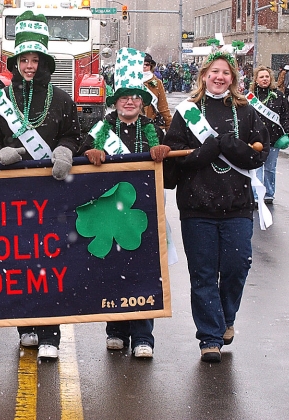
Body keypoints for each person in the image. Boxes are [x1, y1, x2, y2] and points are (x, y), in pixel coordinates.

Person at [0, 11, 82, 360]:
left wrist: (66, 150)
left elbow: (73, 135)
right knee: (20, 261)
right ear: (15, 62)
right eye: (24, 59)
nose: (30, 66)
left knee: (51, 262)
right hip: (13, 193)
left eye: (36, 59)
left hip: (52, 194)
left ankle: (51, 332)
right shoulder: (0, 101)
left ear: (44, 62)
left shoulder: (63, 100)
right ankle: (25, 326)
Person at [163, 50, 270, 363]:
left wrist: (230, 145)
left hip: (237, 204)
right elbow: (175, 163)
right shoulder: (187, 112)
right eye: (214, 72)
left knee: (238, 267)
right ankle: (210, 338)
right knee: (204, 274)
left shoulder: (246, 112)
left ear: (233, 79)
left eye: (226, 72)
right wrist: (209, 150)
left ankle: (226, 317)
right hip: (197, 206)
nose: (220, 77)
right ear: (204, 76)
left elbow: (257, 156)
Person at [81, 48, 169, 359]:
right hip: (109, 216)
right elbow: (81, 158)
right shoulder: (99, 130)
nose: (129, 102)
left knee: (145, 271)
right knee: (113, 269)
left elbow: (168, 177)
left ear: (142, 101)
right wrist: (90, 154)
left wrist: (163, 155)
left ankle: (143, 335)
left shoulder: (153, 130)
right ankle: (116, 329)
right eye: (123, 97)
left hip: (143, 214)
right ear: (114, 101)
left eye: (134, 97)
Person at [248, 66, 289, 205]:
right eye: (261, 77)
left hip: (273, 138)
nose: (264, 79)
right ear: (256, 80)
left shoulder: (279, 96)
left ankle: (268, 193)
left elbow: (287, 115)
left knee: (269, 168)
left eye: (267, 77)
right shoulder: (249, 97)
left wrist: (288, 131)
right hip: (254, 140)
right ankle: (256, 196)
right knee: (256, 168)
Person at [141, 53, 172, 132]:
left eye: (147, 64)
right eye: (141, 64)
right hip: (133, 125)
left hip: (151, 125)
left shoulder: (157, 83)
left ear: (151, 66)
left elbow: (163, 107)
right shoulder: (132, 81)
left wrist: (169, 126)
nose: (144, 66)